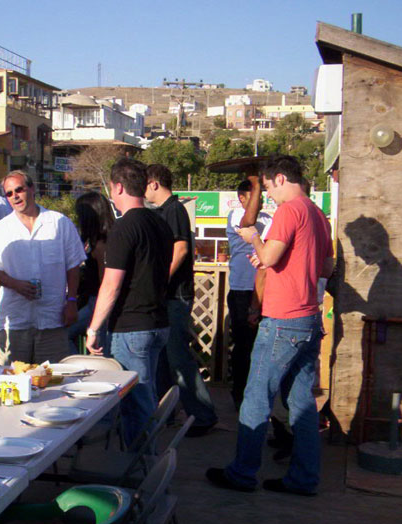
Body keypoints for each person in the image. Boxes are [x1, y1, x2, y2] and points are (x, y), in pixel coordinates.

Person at [206, 156, 333, 496]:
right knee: (302, 402)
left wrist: (253, 238)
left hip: (283, 318)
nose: (269, 197)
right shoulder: (318, 214)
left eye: (267, 188)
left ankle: (243, 473)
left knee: (256, 396)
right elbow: (326, 265)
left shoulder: (289, 210)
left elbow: (270, 257)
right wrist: (271, 257)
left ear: (278, 179)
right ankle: (304, 479)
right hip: (308, 316)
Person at [86, 158, 173, 446]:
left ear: (119, 187)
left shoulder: (124, 228)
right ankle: (142, 461)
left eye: (112, 188)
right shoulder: (159, 223)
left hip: (132, 327)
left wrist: (93, 327)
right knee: (143, 397)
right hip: (158, 322)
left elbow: (111, 284)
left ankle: (142, 469)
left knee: (138, 402)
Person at [146, 164, 218, 436]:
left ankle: (203, 415)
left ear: (154, 183)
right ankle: (167, 412)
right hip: (170, 296)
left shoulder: (174, 210)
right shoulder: (167, 211)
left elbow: (182, 248)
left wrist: (160, 279)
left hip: (175, 295)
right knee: (165, 357)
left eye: (144, 183)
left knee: (178, 357)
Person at [0, 171, 85, 365]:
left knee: (53, 383)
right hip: (15, 322)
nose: (15, 196)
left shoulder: (59, 223)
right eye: (9, 193)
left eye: (19, 190)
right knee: (13, 384)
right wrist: (16, 285)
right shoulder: (1, 229)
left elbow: (73, 265)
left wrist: (71, 300)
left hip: (52, 320)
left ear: (32, 189)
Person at [226, 175, 272, 410]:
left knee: (261, 347)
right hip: (243, 290)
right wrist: (255, 184)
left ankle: (257, 394)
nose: (261, 201)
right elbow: (248, 221)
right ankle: (240, 395)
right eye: (255, 196)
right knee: (243, 346)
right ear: (241, 198)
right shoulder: (235, 215)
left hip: (265, 290)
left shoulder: (269, 218)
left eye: (262, 196)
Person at [67, 191, 114, 353]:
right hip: (91, 300)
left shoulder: (101, 245)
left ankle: (78, 366)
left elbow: (104, 280)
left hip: (97, 301)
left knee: (65, 334)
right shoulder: (95, 241)